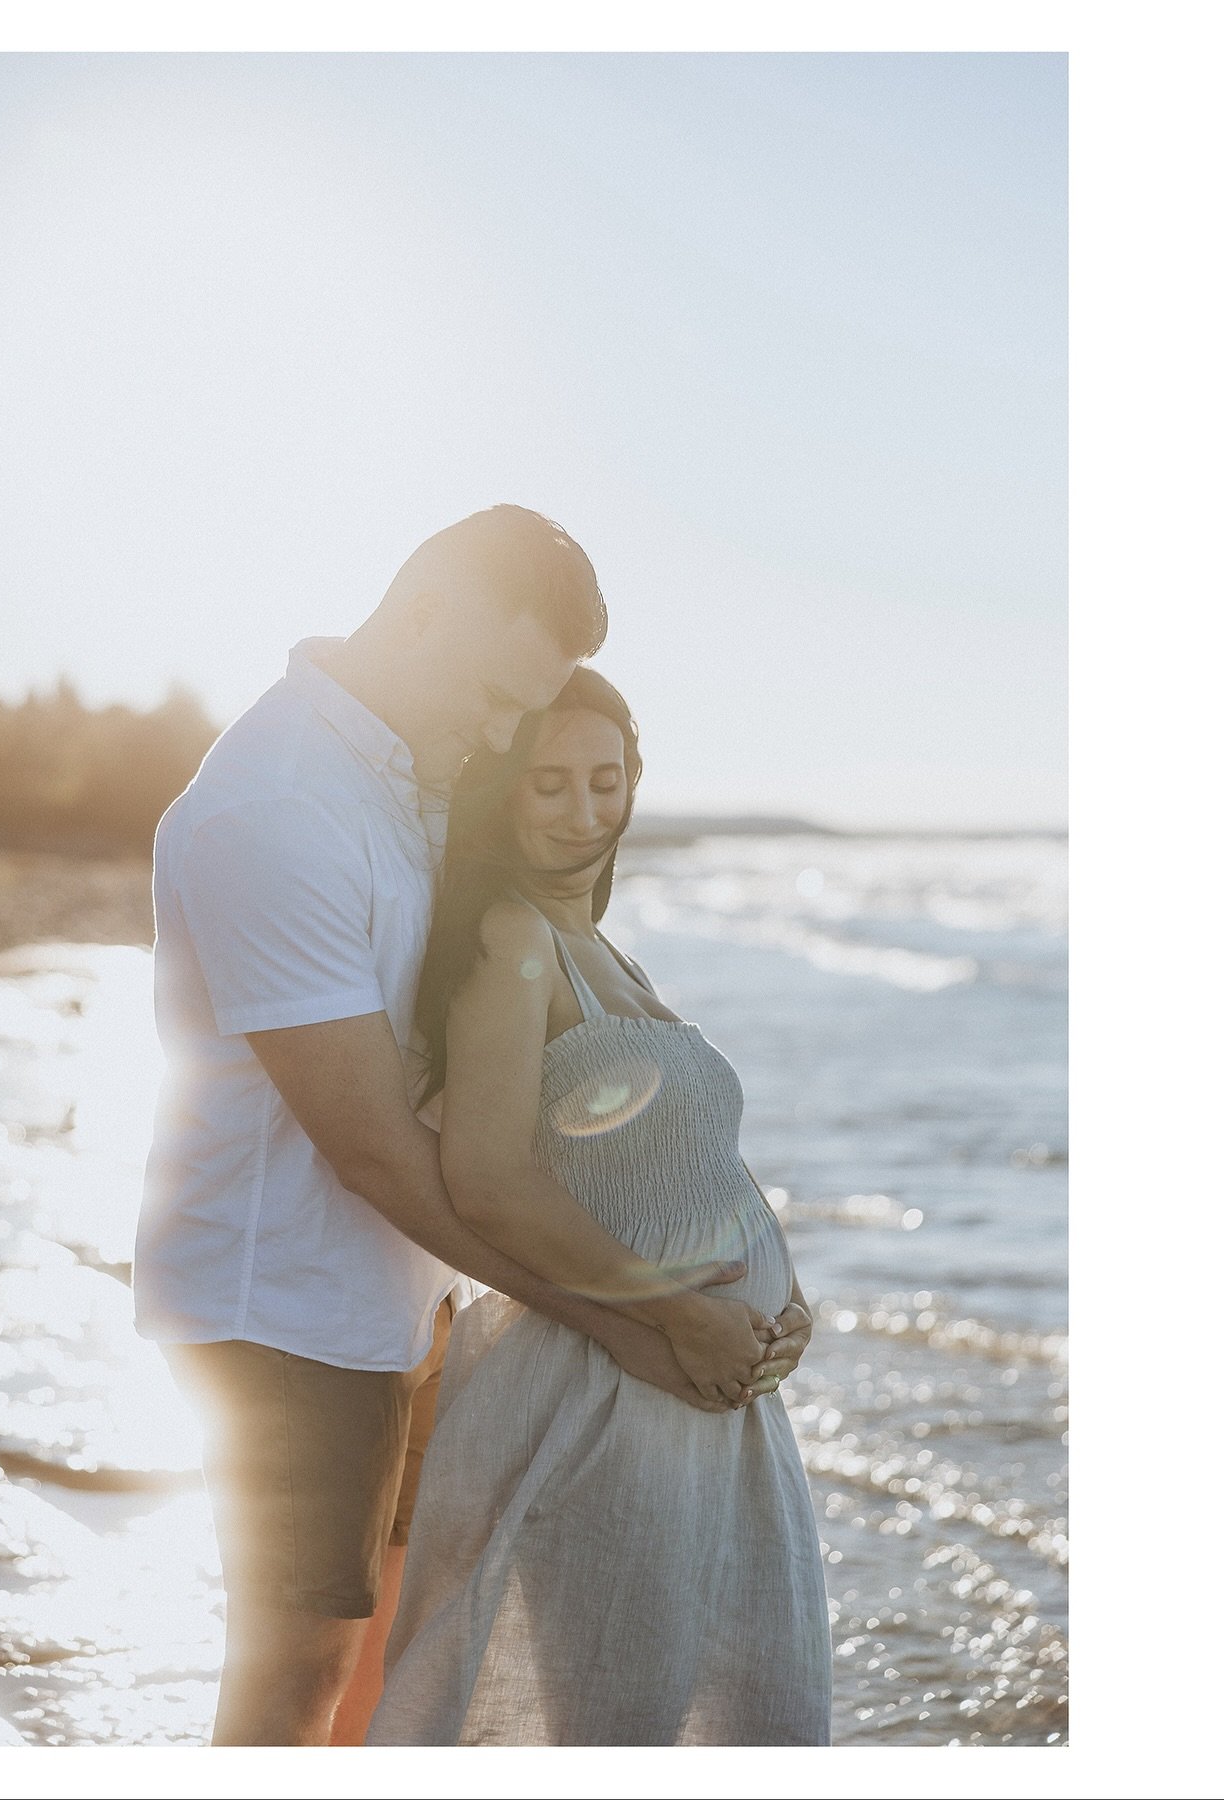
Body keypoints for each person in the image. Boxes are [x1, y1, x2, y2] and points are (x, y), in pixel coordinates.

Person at [132, 506, 781, 1747]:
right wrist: (631, 1322)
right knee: (295, 1670)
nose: (498, 736)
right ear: (421, 609)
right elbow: (369, 1142)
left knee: (410, 1645)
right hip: (285, 1307)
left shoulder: (404, 773)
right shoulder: (276, 807)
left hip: (414, 1292)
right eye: (491, 698)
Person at [365, 667, 832, 1746]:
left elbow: (681, 1161)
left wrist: (787, 1290)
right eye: (549, 787)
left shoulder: (607, 952)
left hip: (698, 1388)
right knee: (608, 1719)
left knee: (712, 1701)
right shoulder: (511, 940)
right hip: (605, 1389)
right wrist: (675, 1311)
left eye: (605, 781)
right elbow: (488, 1177)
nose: (583, 814)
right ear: (503, 796)